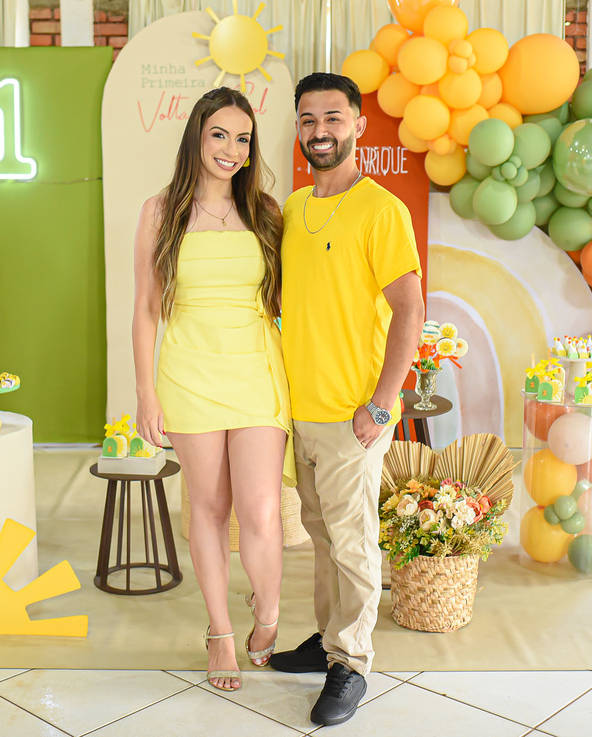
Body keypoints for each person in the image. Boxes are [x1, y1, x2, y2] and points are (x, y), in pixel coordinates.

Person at [269, 73, 424, 726]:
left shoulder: (380, 210)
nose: (320, 131)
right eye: (308, 119)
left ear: (359, 125)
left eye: (333, 118)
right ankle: (328, 639)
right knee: (321, 536)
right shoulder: (294, 208)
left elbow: (411, 309)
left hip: (352, 415)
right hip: (299, 409)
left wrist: (382, 404)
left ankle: (352, 663)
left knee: (353, 542)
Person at [132, 87, 293, 692]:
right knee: (209, 507)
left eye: (243, 138)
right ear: (197, 138)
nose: (231, 149)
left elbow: (287, 299)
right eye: (219, 135)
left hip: (256, 368)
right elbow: (146, 309)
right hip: (188, 372)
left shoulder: (265, 210)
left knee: (260, 509)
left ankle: (268, 612)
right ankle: (220, 631)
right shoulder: (160, 211)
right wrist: (146, 393)